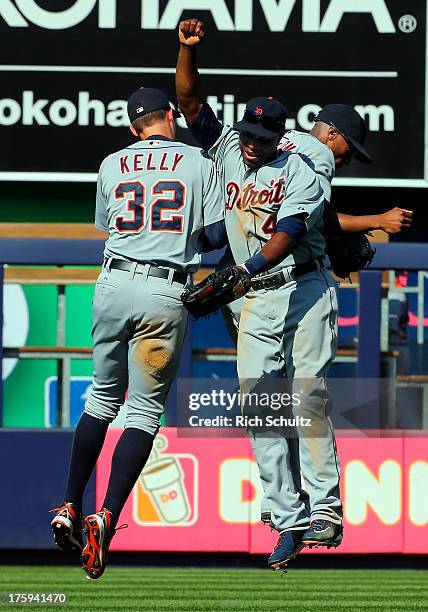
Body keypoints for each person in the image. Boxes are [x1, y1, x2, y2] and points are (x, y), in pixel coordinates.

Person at [176, 19, 342, 570]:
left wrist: (239, 270)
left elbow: (287, 235)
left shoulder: (302, 166)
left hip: (303, 286)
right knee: (258, 405)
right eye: (247, 134)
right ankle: (287, 517)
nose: (250, 145)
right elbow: (190, 100)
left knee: (307, 395)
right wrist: (185, 50)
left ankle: (327, 508)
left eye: (261, 138)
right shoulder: (227, 145)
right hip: (254, 300)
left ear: (280, 136)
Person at [50, 86, 226, 579]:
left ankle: (67, 503)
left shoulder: (111, 164)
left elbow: (109, 224)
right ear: (172, 116)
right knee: (144, 410)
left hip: (112, 281)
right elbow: (212, 235)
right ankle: (106, 514)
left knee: (100, 401)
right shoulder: (198, 161)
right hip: (163, 288)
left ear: (133, 127)